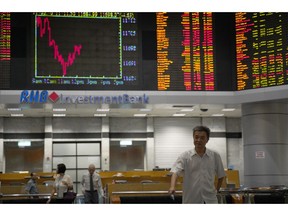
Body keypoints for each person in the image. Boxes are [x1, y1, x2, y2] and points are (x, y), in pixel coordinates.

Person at [169, 125, 226, 204]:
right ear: (193, 138)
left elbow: (221, 175)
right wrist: (172, 186)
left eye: (202, 138)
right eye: (196, 137)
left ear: (207, 140)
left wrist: (216, 190)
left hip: (210, 200)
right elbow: (175, 172)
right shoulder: (185, 156)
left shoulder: (215, 156)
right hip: (191, 199)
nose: (198, 140)